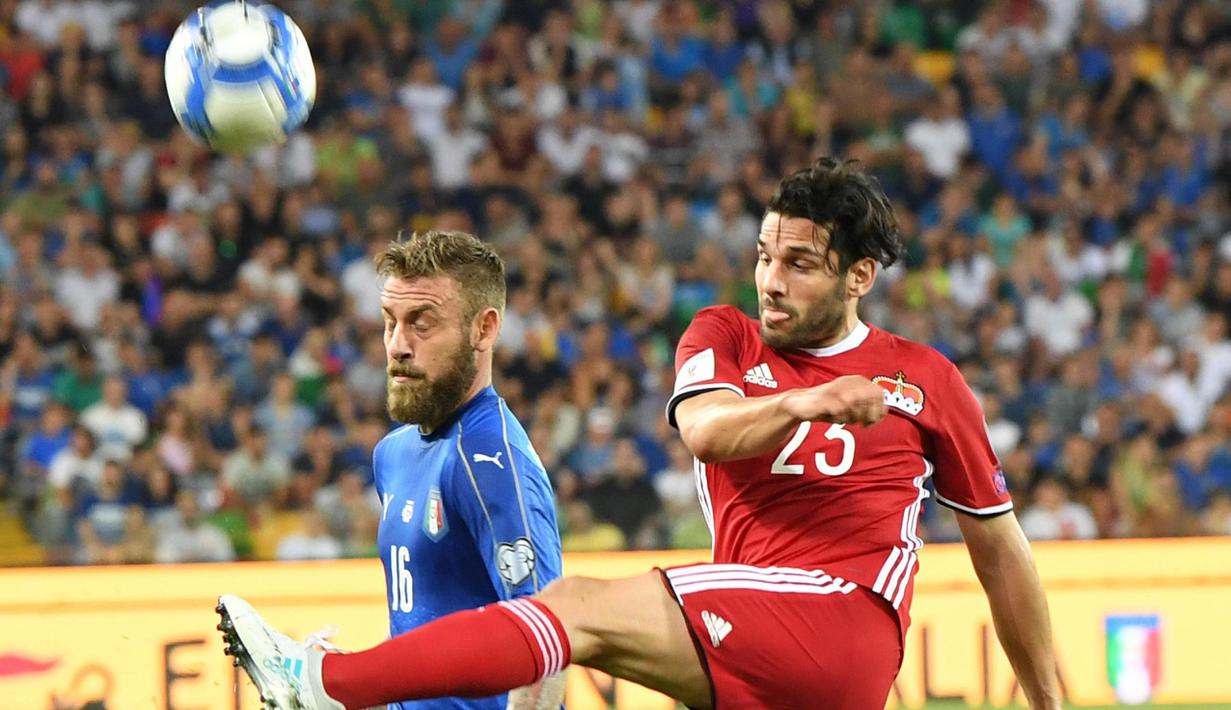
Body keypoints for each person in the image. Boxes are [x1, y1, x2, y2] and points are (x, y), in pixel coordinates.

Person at [217, 160, 1059, 710]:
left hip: (843, 627)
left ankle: (323, 682)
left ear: (859, 277)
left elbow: (1000, 551)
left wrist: (1048, 698)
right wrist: (801, 406)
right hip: (754, 635)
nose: (769, 278)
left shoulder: (926, 378)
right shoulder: (723, 334)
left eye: (799, 263)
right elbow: (705, 431)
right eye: (765, 254)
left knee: (574, 606)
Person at [221, 231, 565, 710]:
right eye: (390, 322)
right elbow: (424, 624)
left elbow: (549, 645)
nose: (398, 345)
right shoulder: (392, 454)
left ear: (483, 329)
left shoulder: (491, 463)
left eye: (422, 324)